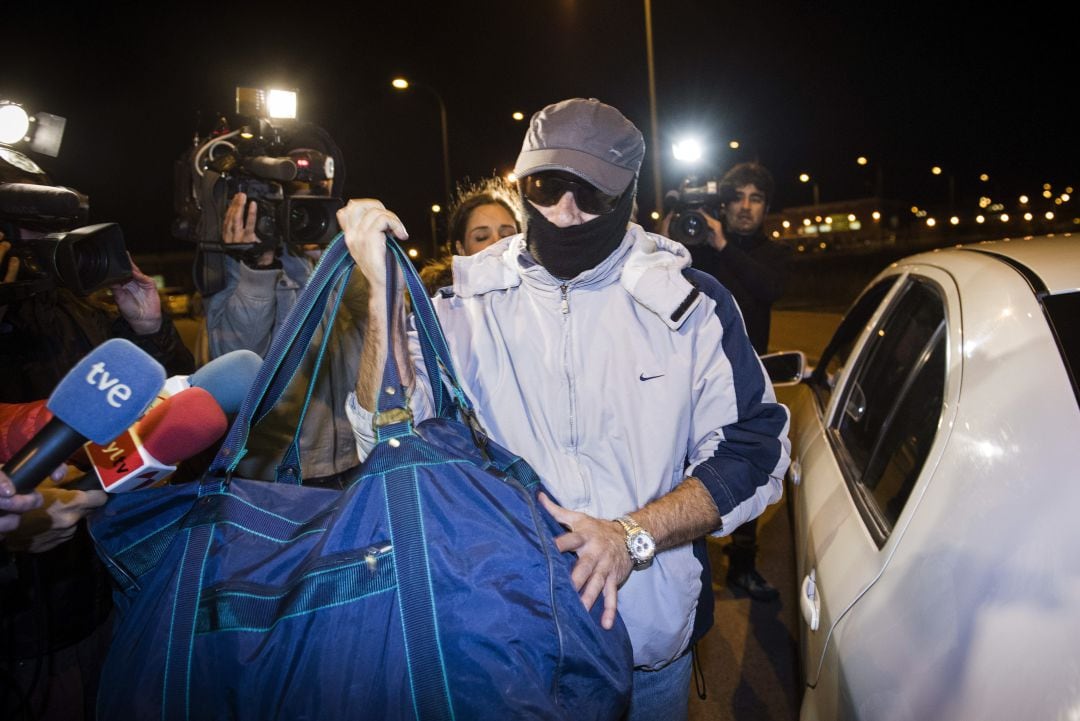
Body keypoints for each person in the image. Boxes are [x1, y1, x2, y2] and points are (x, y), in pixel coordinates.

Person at [338, 98, 790, 720]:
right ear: (520, 184)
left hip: (645, 646)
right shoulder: (458, 302)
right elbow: (380, 442)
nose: (564, 212)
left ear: (629, 194)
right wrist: (382, 299)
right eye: (546, 188)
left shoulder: (693, 304)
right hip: (506, 644)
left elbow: (756, 450)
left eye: (591, 194)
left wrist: (633, 535)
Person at [0, 150, 195, 721]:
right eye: (22, 226)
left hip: (99, 597)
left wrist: (149, 329)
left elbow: (166, 410)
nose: (38, 242)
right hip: (18, 636)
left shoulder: (75, 313)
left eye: (47, 226)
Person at [203, 144, 367, 486]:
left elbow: (380, 316)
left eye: (316, 198)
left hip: (359, 456)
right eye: (295, 201)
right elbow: (239, 359)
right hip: (279, 474)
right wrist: (257, 267)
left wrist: (343, 252)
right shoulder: (244, 264)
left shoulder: (345, 260)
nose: (303, 213)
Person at [665, 162, 792, 602]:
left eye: (755, 199)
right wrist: (674, 234)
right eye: (738, 197)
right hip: (692, 376)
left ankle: (743, 564)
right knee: (682, 470)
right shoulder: (696, 243)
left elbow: (770, 288)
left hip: (745, 380)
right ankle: (679, 556)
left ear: (766, 207)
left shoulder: (770, 252)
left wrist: (722, 243)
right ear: (724, 202)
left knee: (745, 464)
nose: (745, 207)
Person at [418, 176, 521, 295]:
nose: (497, 242)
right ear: (461, 249)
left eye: (506, 235)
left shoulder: (542, 291)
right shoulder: (436, 307)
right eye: (481, 237)